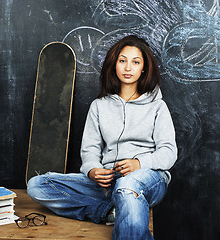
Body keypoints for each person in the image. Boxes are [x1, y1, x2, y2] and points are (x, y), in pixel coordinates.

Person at [27, 35, 177, 240]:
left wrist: (139, 163)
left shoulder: (157, 106)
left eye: (135, 62)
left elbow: (169, 152)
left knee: (127, 186)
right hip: (108, 181)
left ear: (143, 68)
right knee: (37, 185)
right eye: (122, 60)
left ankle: (120, 203)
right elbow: (89, 150)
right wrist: (92, 170)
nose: (128, 67)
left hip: (148, 178)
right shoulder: (99, 106)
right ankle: (109, 212)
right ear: (114, 64)